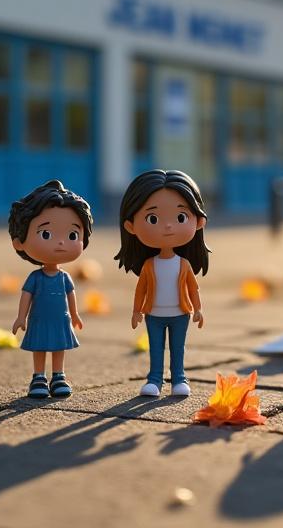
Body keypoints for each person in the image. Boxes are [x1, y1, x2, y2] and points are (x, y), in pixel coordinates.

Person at [115, 169, 210, 397]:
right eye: (153, 219)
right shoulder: (149, 265)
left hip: (180, 313)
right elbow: (141, 289)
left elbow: (192, 288)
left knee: (178, 348)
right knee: (156, 348)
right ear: (131, 226)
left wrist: (197, 309)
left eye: (180, 218)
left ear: (198, 222)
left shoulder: (183, 264)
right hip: (154, 314)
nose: (168, 226)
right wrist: (137, 311)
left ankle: (179, 378)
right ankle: (154, 380)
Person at [9, 180, 91, 398]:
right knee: (39, 346)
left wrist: (75, 315)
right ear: (19, 242)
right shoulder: (35, 277)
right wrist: (20, 317)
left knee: (58, 346)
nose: (61, 243)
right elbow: (26, 295)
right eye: (46, 234)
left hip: (60, 318)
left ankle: (58, 375)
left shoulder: (65, 277)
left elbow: (70, 295)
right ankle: (38, 377)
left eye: (72, 235)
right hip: (39, 319)